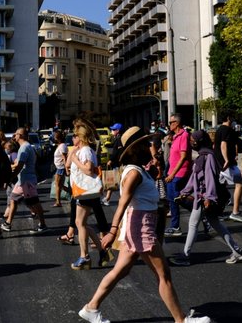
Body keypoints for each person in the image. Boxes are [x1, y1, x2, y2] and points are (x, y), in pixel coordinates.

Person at [77, 126, 211, 323]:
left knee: (120, 271)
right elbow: (123, 203)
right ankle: (181, 320)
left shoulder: (140, 170)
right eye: (146, 144)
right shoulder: (134, 173)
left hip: (139, 223)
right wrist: (112, 231)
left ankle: (91, 307)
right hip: (140, 226)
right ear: (137, 148)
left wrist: (155, 172)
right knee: (163, 274)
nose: (151, 146)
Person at [169, 130, 242, 266]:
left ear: (200, 141)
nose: (191, 142)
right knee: (216, 224)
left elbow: (210, 178)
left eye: (193, 140)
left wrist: (209, 198)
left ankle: (185, 256)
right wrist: (185, 192)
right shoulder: (201, 156)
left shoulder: (208, 157)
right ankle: (237, 251)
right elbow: (195, 178)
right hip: (202, 197)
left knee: (193, 225)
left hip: (204, 198)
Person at [66, 124, 111, 270]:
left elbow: (88, 169)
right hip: (83, 191)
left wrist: (76, 160)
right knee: (81, 223)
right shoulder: (81, 150)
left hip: (86, 191)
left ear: (80, 137)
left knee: (80, 223)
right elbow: (67, 165)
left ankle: (85, 257)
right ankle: (102, 251)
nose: (73, 138)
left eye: (74, 135)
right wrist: (72, 154)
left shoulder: (85, 151)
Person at [1, 128, 48, 234]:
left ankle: (43, 225)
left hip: (27, 181)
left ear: (20, 135)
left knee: (35, 202)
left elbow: (20, 166)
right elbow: (19, 164)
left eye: (15, 134)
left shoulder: (24, 148)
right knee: (13, 199)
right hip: (23, 180)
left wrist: (10, 176)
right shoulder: (25, 147)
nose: (14, 136)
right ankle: (8, 223)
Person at [214, 111, 242, 223]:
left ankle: (217, 212)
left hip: (219, 163)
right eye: (233, 117)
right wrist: (227, 159)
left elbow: (216, 145)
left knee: (220, 187)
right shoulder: (227, 130)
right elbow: (223, 145)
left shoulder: (219, 129)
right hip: (227, 164)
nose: (234, 119)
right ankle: (235, 212)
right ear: (228, 117)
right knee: (240, 184)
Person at [164, 113, 192, 236]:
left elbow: (183, 157)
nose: (169, 124)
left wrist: (172, 174)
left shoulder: (184, 135)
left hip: (180, 173)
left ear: (177, 123)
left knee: (177, 198)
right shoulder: (175, 136)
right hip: (172, 172)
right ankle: (175, 227)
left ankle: (201, 213)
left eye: (171, 122)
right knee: (172, 199)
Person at [102, 123, 123, 206]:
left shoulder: (119, 139)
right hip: (116, 163)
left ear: (117, 131)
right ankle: (107, 198)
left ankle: (122, 199)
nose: (112, 131)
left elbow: (117, 152)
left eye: (113, 129)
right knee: (113, 181)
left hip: (117, 164)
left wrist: (111, 160)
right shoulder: (117, 138)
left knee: (117, 182)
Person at [51, 130, 68, 207]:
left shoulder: (62, 146)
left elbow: (64, 158)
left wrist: (66, 169)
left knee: (58, 184)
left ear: (58, 138)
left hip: (61, 168)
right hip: (59, 167)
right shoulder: (60, 145)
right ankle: (73, 193)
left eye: (54, 136)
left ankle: (58, 202)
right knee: (59, 184)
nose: (53, 138)